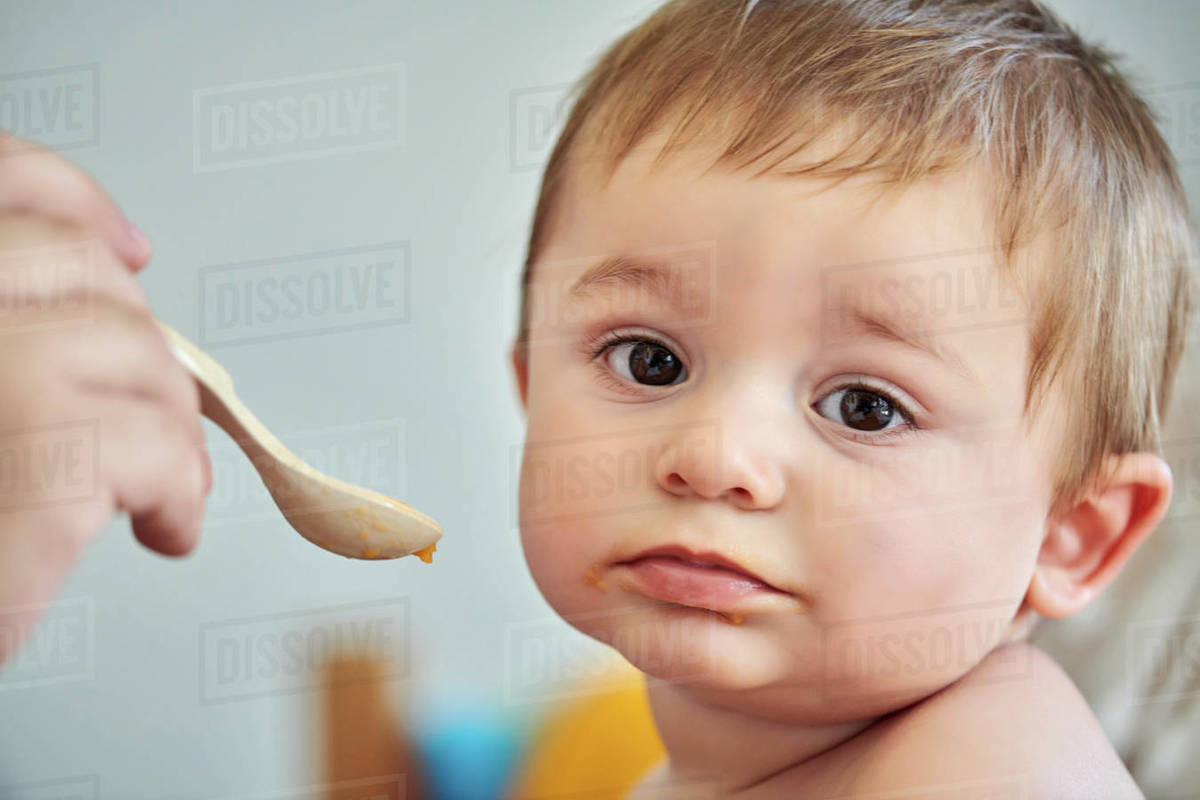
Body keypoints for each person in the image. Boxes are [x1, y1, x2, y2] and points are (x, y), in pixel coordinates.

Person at [507, 0, 1195, 796]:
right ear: (531, 389)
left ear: (1069, 532)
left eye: (865, 407)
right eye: (650, 361)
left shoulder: (993, 771)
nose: (714, 455)